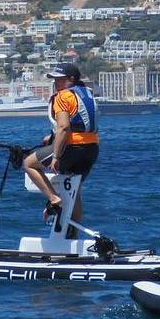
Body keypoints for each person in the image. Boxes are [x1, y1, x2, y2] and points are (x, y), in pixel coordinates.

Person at [22, 63, 100, 227]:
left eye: (59, 79)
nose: (56, 83)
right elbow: (79, 124)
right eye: (54, 80)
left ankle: (53, 199)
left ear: (71, 79)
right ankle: (71, 236)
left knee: (29, 163)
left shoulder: (63, 96)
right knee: (74, 189)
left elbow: (64, 127)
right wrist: (51, 138)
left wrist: (56, 156)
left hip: (72, 148)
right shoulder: (87, 94)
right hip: (91, 149)